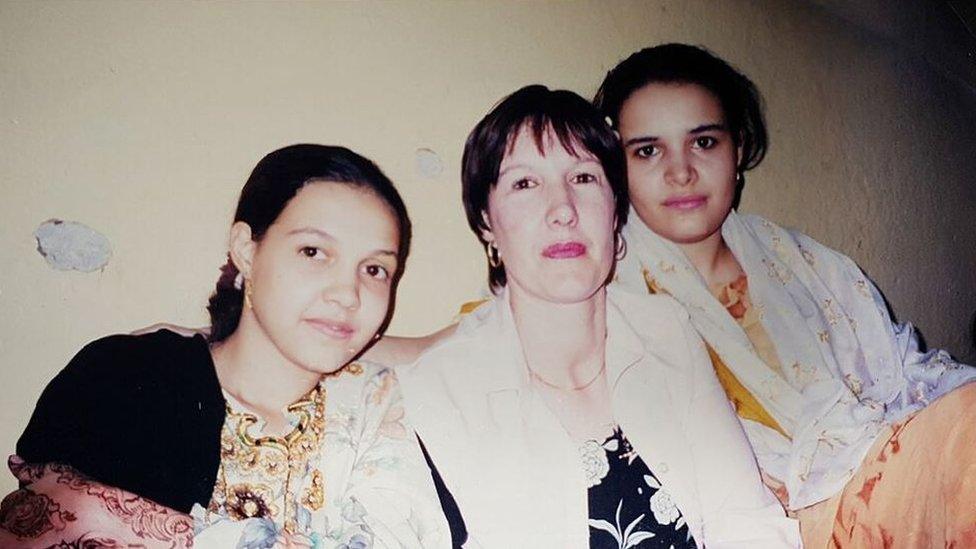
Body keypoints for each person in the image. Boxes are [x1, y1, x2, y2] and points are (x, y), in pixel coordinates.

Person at [594, 43, 976, 547]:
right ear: (614, 167)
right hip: (782, 521)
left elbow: (906, 370)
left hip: (889, 473)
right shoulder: (611, 297)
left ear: (737, 150)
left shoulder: (802, 261)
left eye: (703, 142)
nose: (680, 171)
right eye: (647, 150)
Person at [397, 85, 800, 548]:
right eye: (524, 184)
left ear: (614, 211)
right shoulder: (443, 389)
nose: (563, 210)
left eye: (584, 178)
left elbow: (744, 516)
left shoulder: (666, 331)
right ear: (487, 222)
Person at [1, 145, 450, 548]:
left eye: (374, 270)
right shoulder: (129, 379)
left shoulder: (379, 407)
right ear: (247, 250)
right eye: (313, 252)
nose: (348, 295)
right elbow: (59, 523)